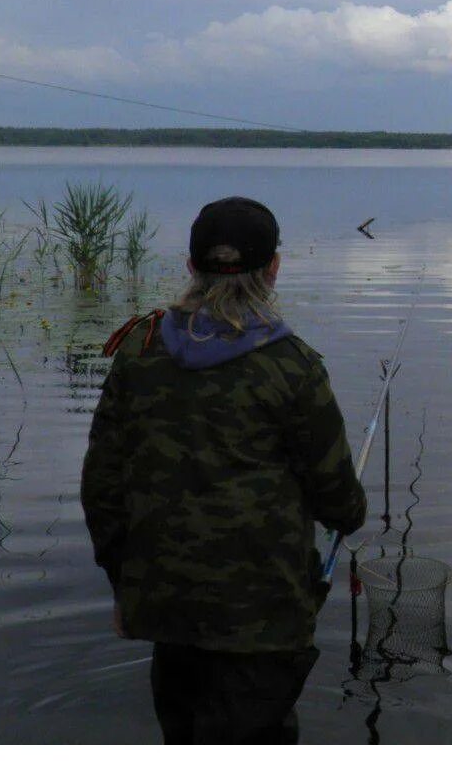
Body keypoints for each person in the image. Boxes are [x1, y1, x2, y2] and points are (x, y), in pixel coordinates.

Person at [81, 196, 367, 744]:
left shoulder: (139, 354)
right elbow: (339, 504)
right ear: (274, 269)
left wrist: (125, 586)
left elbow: (102, 488)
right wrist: (352, 513)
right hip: (263, 619)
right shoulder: (293, 367)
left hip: (165, 608)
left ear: (191, 267)